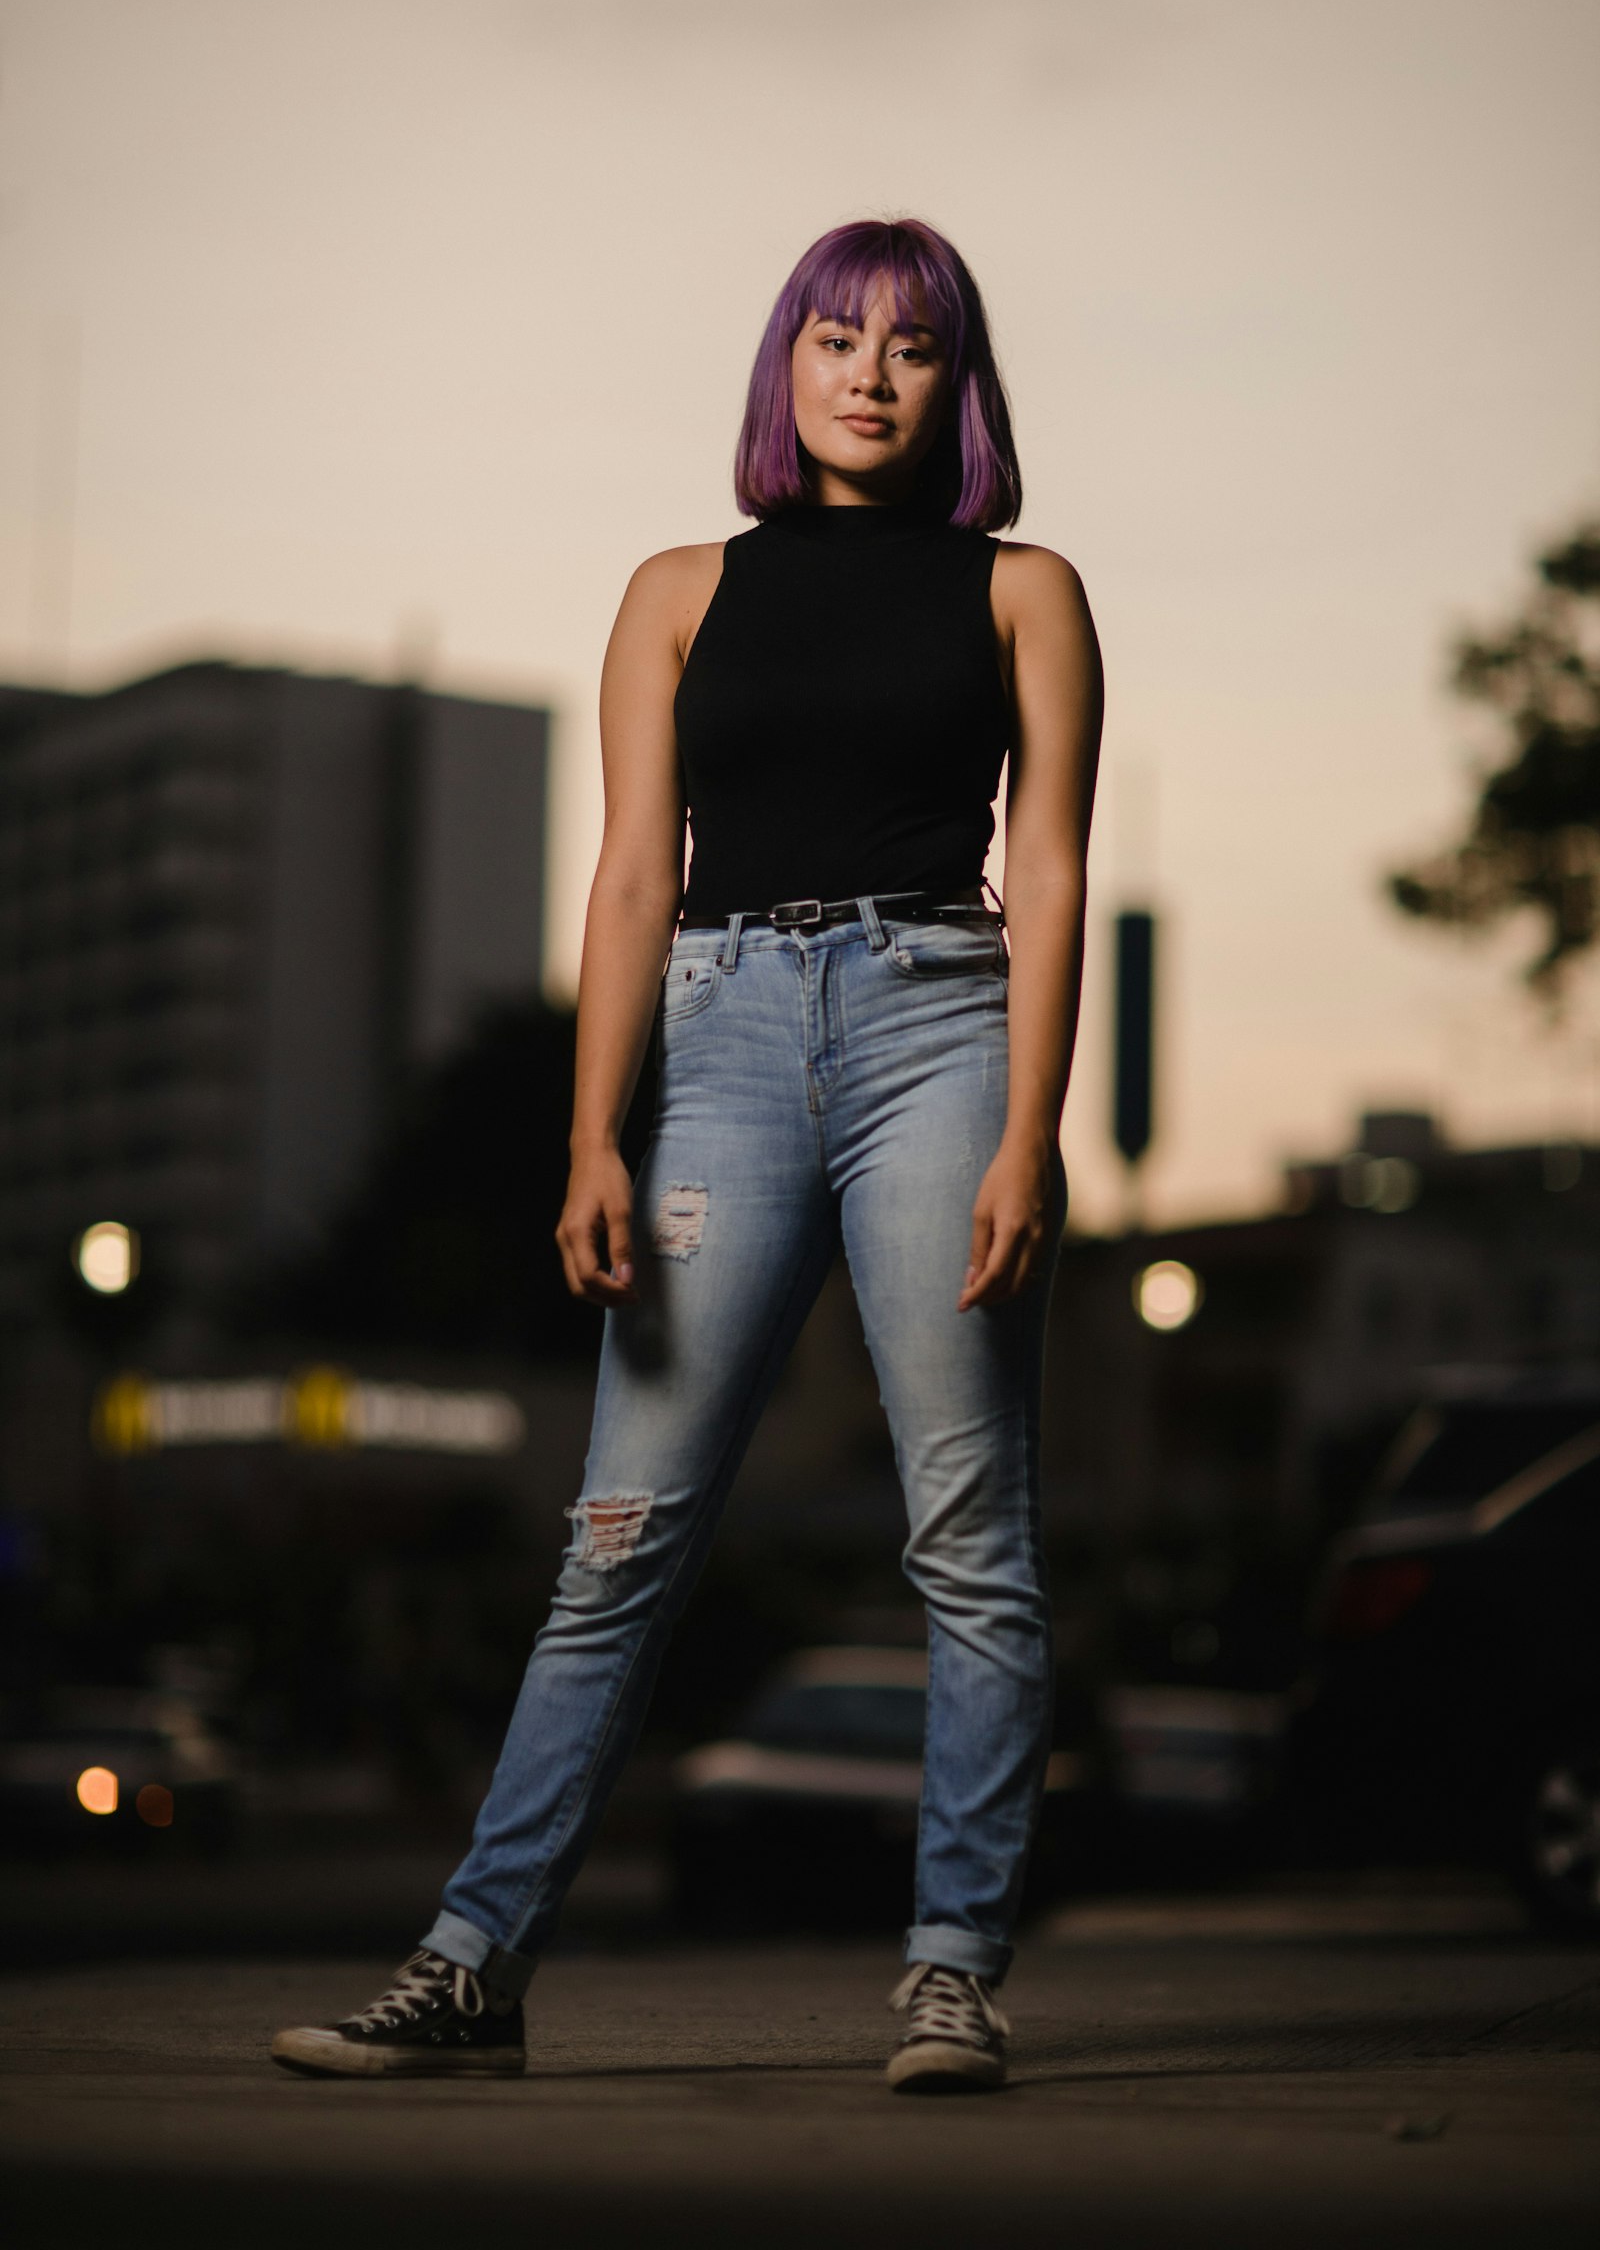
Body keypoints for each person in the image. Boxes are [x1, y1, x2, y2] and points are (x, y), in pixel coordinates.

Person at [272, 216, 1103, 2093]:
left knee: (969, 1541)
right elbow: (635, 873)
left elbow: (1046, 871)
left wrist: (1030, 1134)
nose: (867, 375)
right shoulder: (673, 590)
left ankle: (951, 1973)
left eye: (908, 347)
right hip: (720, 1046)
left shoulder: (1025, 591)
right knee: (619, 1538)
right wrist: (591, 1134)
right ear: (782, 365)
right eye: (834, 338)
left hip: (939, 1030)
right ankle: (473, 1965)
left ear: (954, 382)